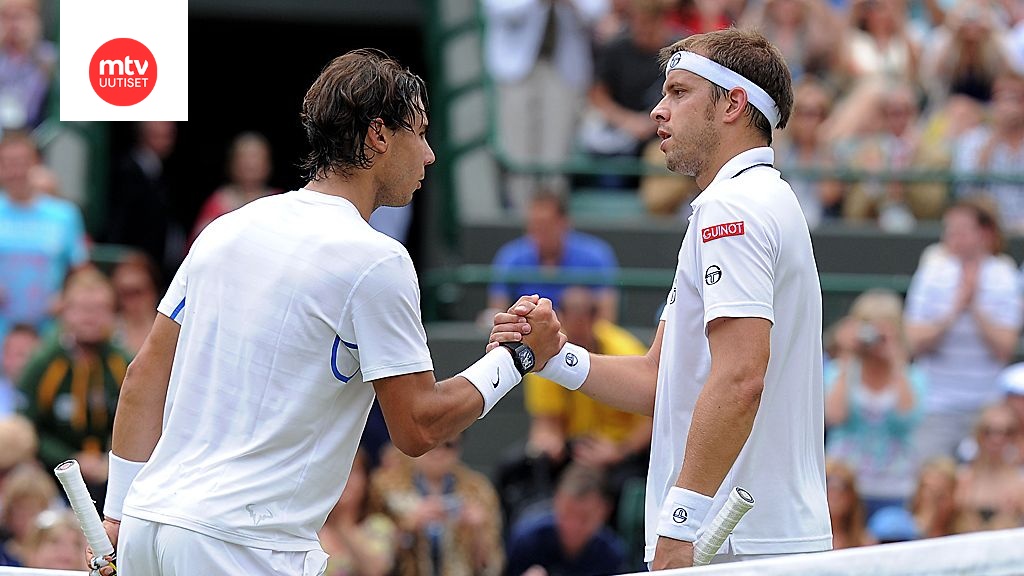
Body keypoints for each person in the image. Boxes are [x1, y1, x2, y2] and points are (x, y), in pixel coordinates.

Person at [91, 48, 564, 576]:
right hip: (240, 547)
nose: (429, 155)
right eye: (421, 133)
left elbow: (142, 379)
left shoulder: (224, 229)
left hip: (146, 528)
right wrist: (518, 357)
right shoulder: (376, 259)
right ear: (379, 136)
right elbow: (418, 427)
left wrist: (117, 517)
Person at [490, 28, 831, 568]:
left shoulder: (732, 210)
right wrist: (554, 358)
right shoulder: (750, 201)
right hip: (749, 537)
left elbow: (741, 378)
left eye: (678, 92)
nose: (657, 111)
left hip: (732, 543)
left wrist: (680, 524)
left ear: (733, 105)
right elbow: (660, 381)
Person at [494, 285, 651, 530]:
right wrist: (548, 442)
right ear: (562, 318)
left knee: (625, 484)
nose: (577, 334)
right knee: (517, 468)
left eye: (583, 323)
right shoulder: (549, 350)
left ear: (595, 319)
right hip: (575, 446)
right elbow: (547, 422)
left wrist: (619, 451)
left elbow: (652, 418)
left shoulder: (625, 350)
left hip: (620, 449)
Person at [17, 266, 130, 505]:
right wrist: (68, 458)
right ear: (63, 311)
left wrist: (110, 461)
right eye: (81, 309)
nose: (90, 317)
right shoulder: (44, 361)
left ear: (114, 314)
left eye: (100, 309)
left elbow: (137, 421)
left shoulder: (123, 363)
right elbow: (25, 429)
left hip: (110, 472)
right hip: (51, 475)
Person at [824, 289, 926, 519]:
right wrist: (848, 356)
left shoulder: (914, 376)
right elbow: (834, 416)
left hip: (896, 487)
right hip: (845, 487)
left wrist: (895, 361)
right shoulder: (838, 370)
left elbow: (907, 420)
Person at [369, 434, 504, 576]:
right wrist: (408, 526)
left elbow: (491, 567)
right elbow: (373, 556)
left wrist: (478, 532)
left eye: (448, 445)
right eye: (431, 446)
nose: (439, 453)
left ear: (459, 449)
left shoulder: (479, 491)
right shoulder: (385, 488)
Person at [486, 188, 620, 324]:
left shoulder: (596, 255)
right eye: (534, 224)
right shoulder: (510, 256)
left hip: (580, 341)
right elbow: (497, 311)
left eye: (545, 224)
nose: (538, 231)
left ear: (564, 223)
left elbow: (606, 319)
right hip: (527, 338)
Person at [504, 463, 627, 576]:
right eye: (566, 514)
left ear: (604, 511)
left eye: (584, 518)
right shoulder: (527, 540)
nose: (573, 526)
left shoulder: (611, 554)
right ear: (556, 501)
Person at [187, 131, 281, 252]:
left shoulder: (279, 201)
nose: (251, 164)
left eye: (256, 157)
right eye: (244, 157)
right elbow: (198, 247)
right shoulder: (216, 203)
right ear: (232, 163)